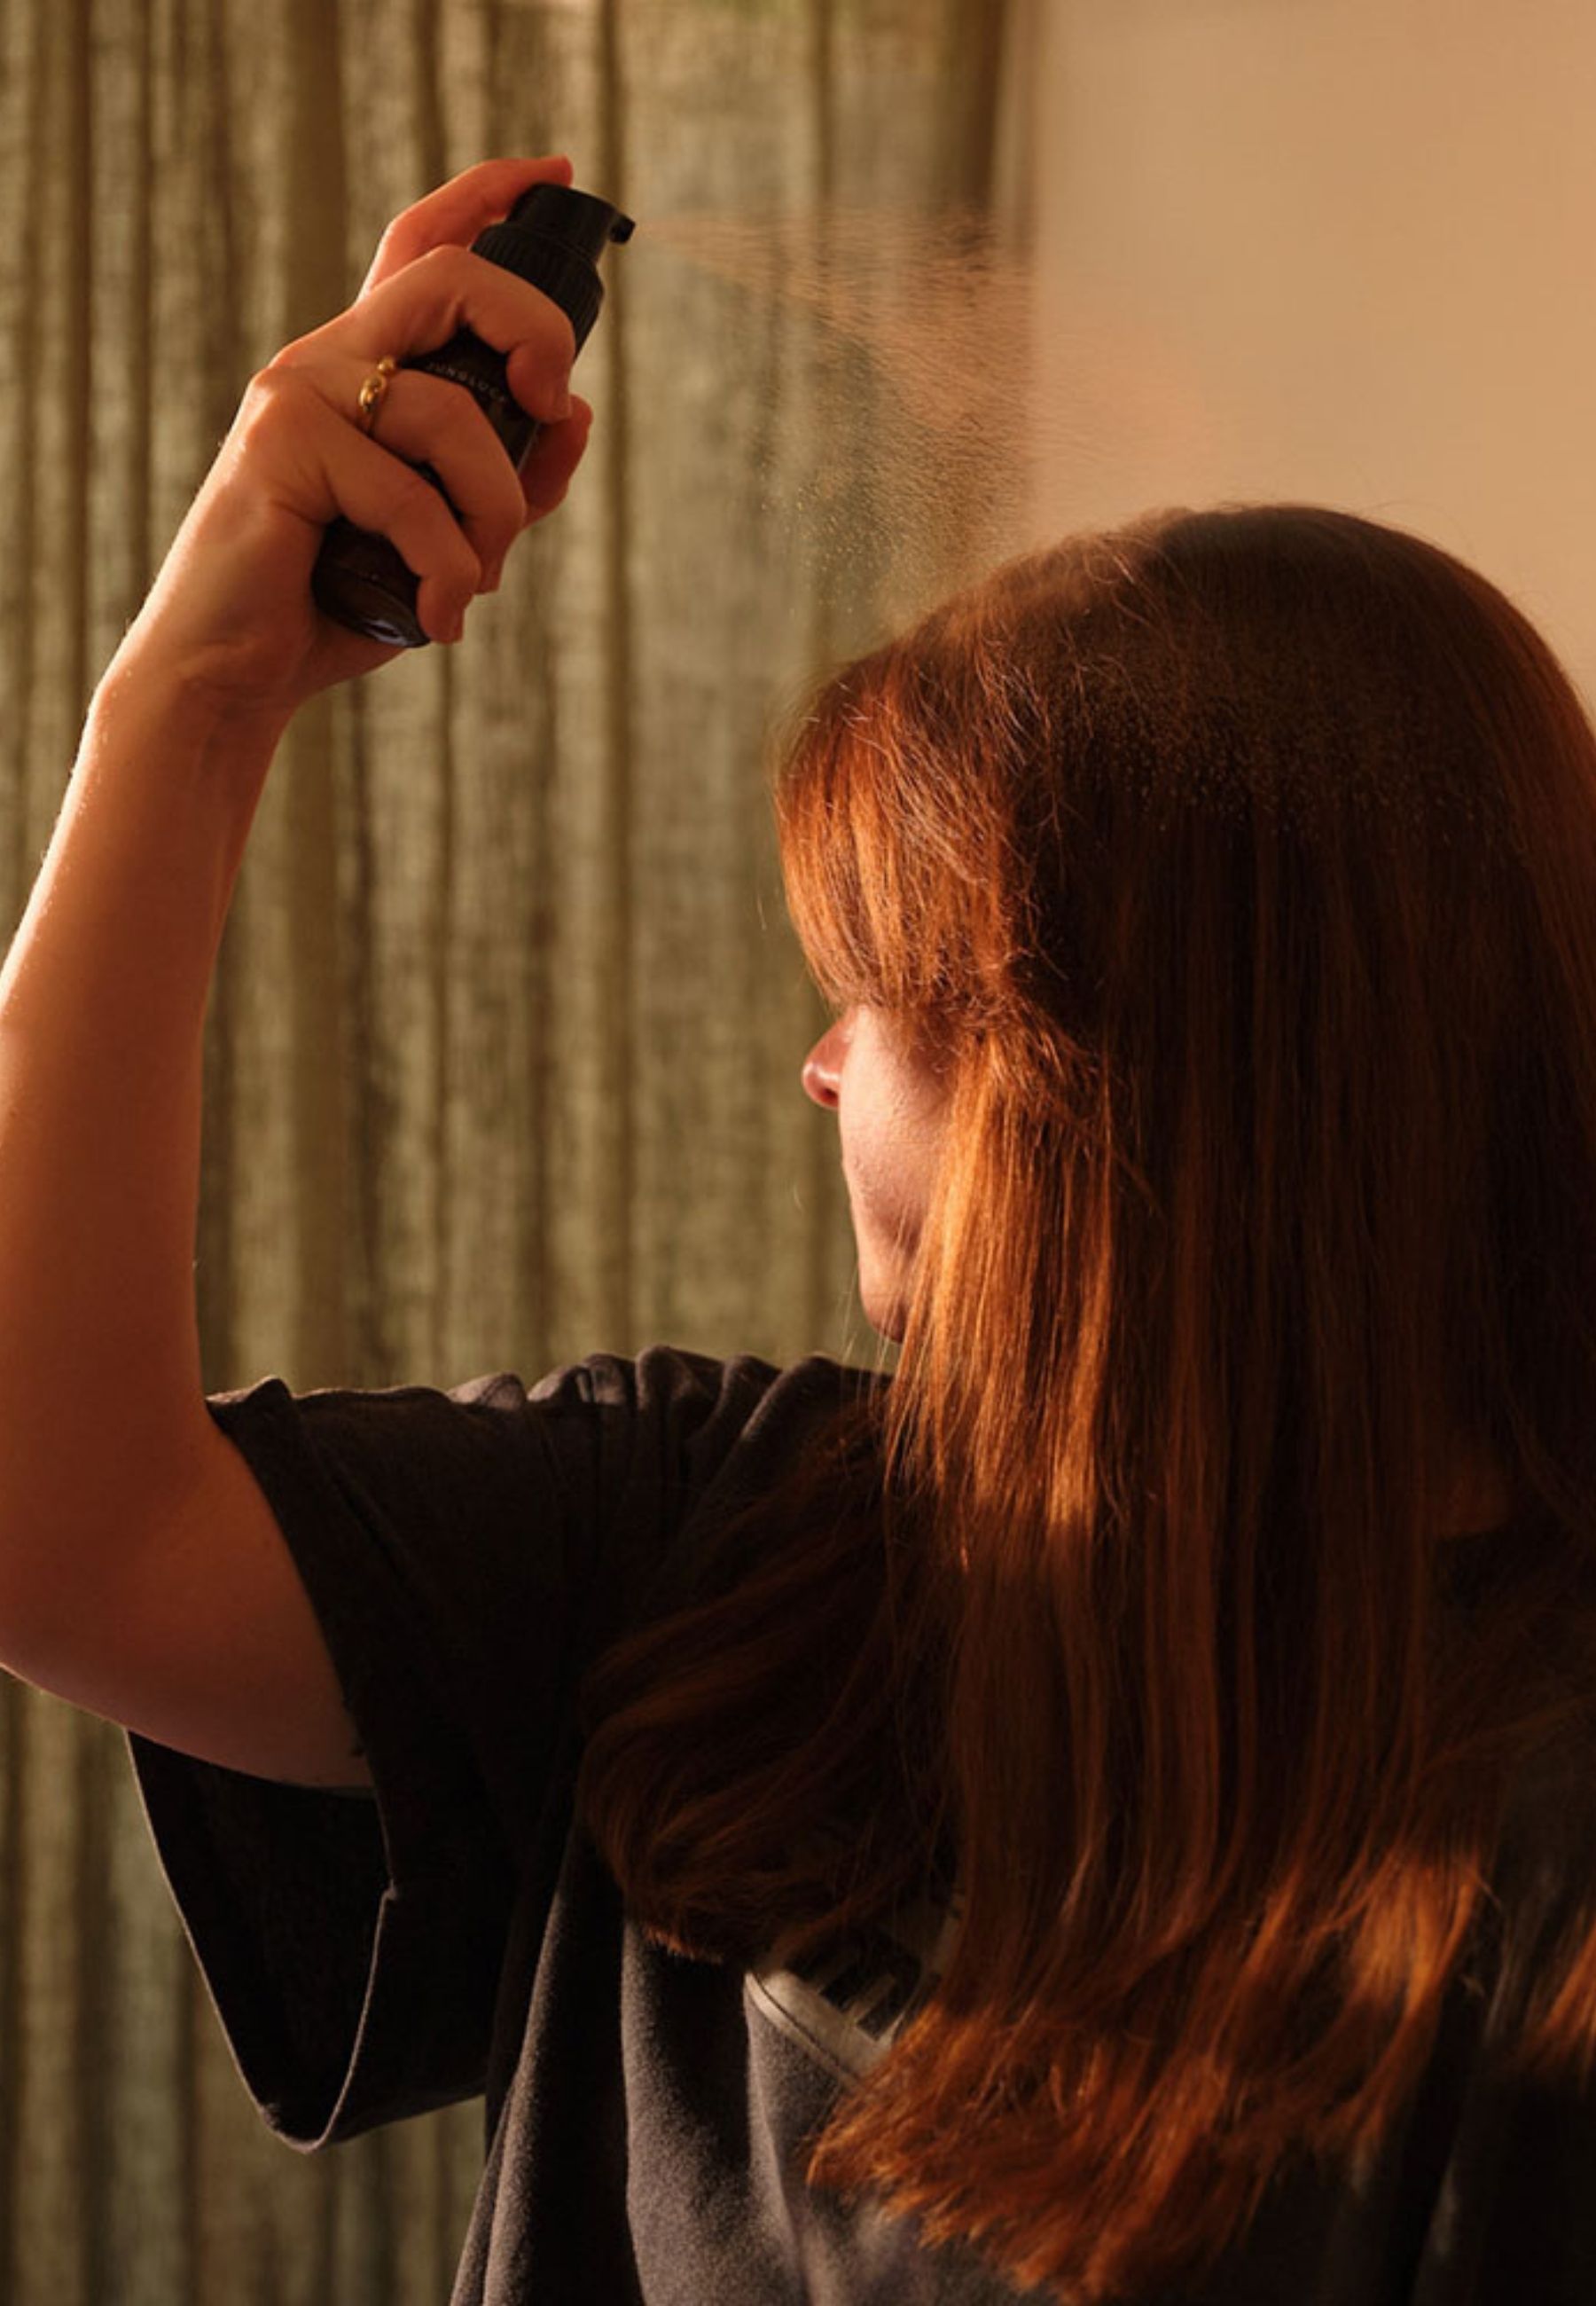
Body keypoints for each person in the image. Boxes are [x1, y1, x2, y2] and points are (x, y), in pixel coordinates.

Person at [2, 151, 1595, 2306]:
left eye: (879, 995)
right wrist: (183, 702)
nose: (819, 1074)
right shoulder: (733, 1537)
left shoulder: (1548, 1891)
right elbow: (55, 1516)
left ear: (1118, 1083)